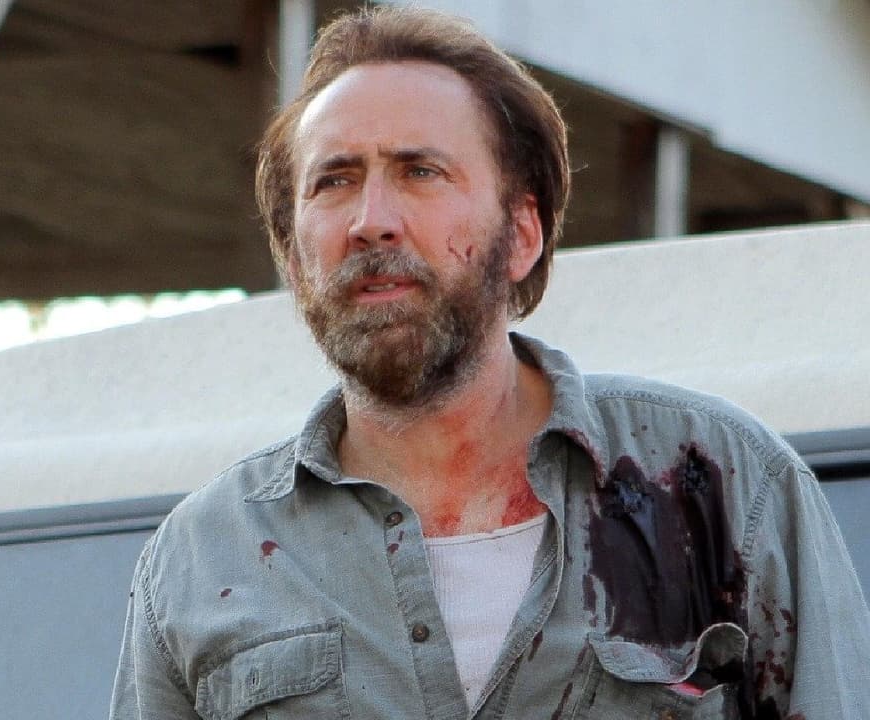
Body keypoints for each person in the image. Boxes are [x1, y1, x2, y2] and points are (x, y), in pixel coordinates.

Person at [110, 6, 870, 719]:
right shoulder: (201, 561)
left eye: (420, 171)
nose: (372, 220)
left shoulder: (722, 490)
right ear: (293, 254)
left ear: (523, 233)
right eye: (334, 180)